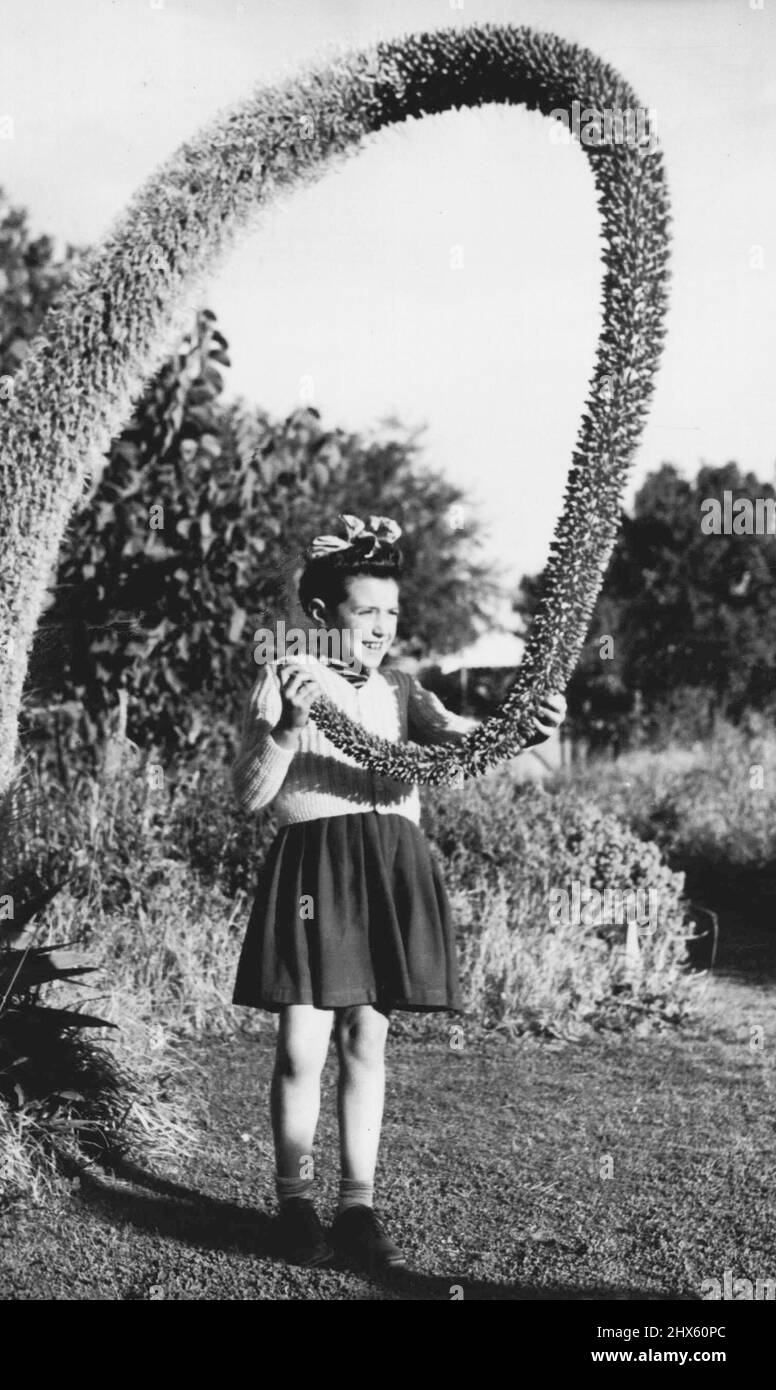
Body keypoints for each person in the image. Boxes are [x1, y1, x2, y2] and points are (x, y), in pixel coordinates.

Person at [230, 514, 566, 1271]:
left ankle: (358, 1206)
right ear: (322, 614)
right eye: (364, 611)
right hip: (316, 867)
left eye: (390, 612)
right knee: (301, 1044)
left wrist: (532, 725)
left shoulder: (402, 691)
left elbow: (472, 737)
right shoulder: (286, 677)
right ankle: (294, 1204)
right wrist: (285, 735)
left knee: (365, 1038)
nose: (380, 626)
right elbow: (251, 794)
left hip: (389, 864)